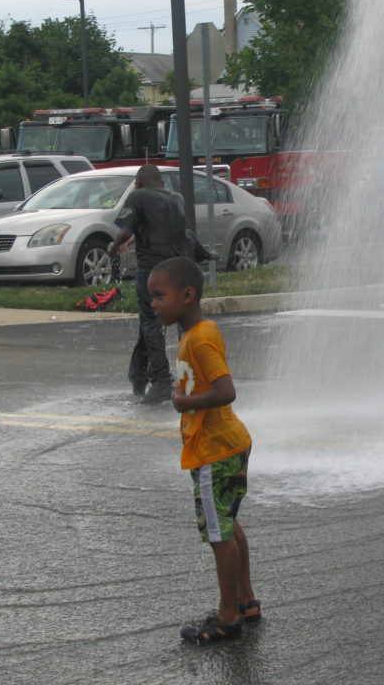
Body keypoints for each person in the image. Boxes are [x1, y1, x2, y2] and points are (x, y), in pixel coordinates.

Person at [146, 256, 258, 644]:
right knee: (228, 525)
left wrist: (183, 403)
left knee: (218, 533)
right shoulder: (195, 333)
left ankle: (228, 617)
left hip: (215, 452)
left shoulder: (200, 338)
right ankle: (246, 600)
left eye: (160, 296)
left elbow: (226, 391)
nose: (153, 304)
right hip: (226, 445)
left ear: (187, 295)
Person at [107, 164, 187, 404]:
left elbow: (124, 230)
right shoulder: (176, 199)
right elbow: (158, 229)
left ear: (139, 182)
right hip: (179, 268)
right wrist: (131, 242)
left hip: (152, 271)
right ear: (161, 182)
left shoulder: (138, 196)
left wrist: (113, 248)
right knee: (182, 323)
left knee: (151, 323)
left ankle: (161, 381)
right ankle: (143, 376)